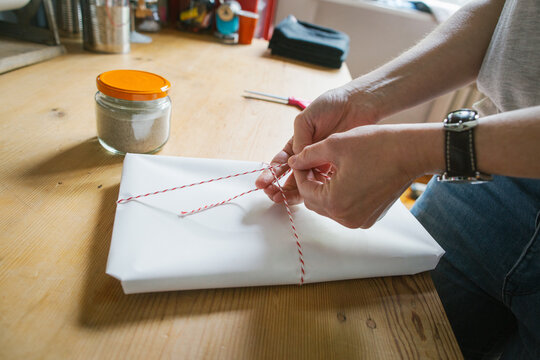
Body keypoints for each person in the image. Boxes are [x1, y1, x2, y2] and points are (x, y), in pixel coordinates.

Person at [256, 0, 540, 358]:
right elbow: (508, 11)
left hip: (467, 152)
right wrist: (361, 98)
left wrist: (411, 153)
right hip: (478, 177)